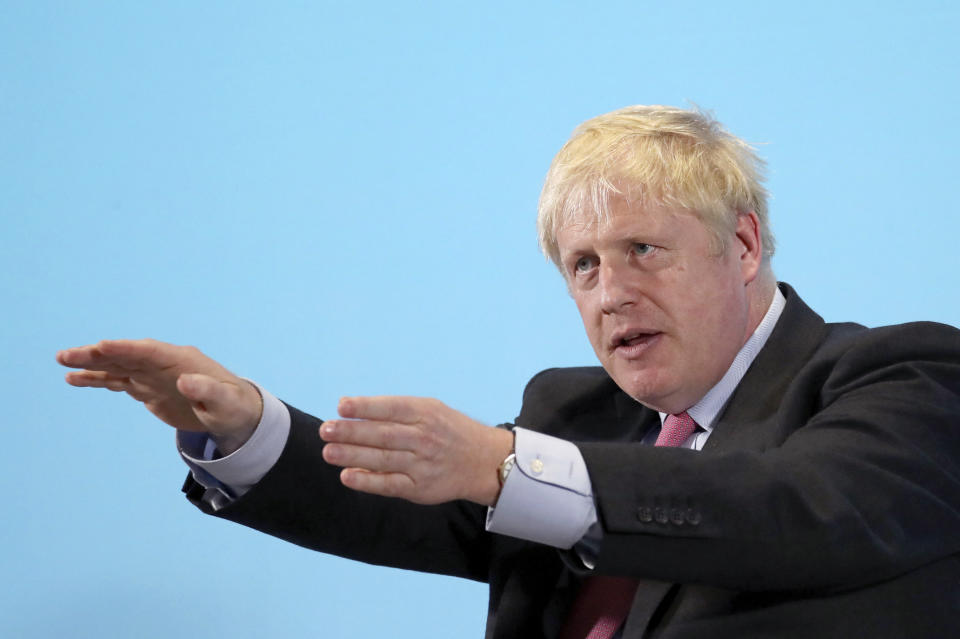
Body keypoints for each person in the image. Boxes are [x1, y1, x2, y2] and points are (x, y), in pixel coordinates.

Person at [57, 105, 960, 638]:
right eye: (584, 265)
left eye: (643, 248)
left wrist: (502, 465)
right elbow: (412, 500)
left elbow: (790, 506)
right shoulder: (573, 413)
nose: (612, 293)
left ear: (744, 244)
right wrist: (247, 426)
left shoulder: (904, 377)